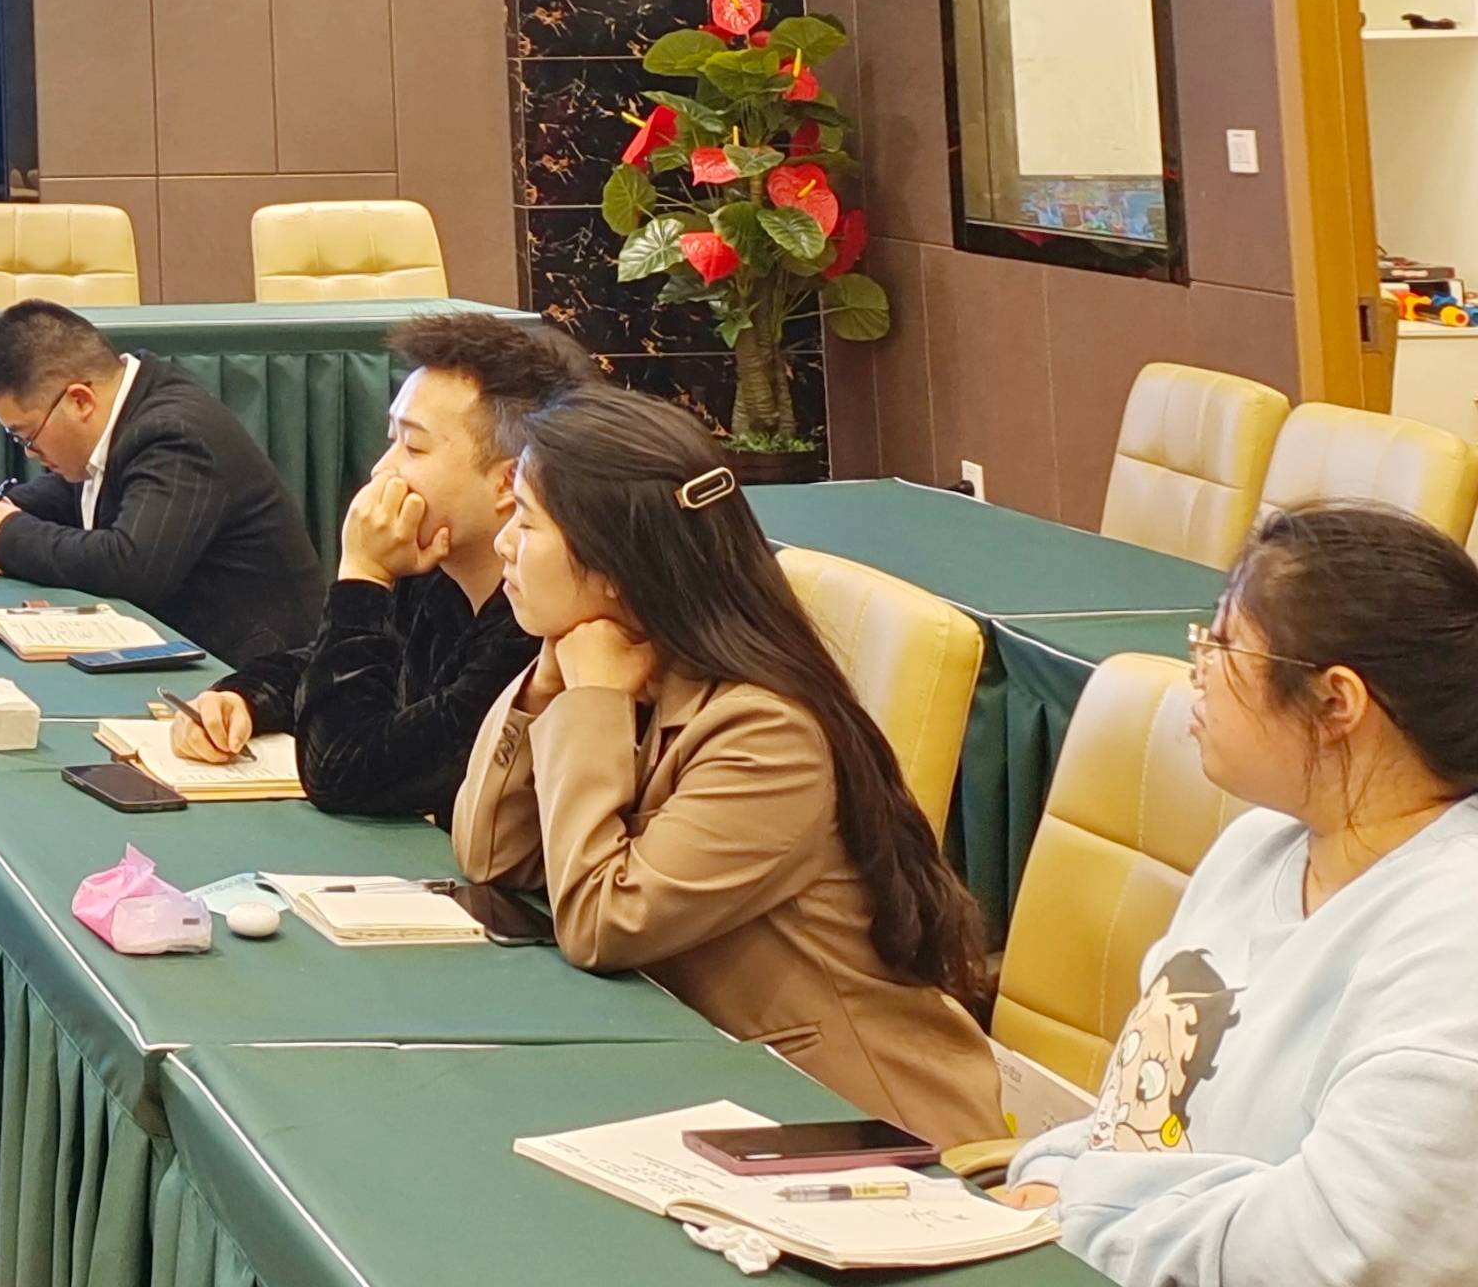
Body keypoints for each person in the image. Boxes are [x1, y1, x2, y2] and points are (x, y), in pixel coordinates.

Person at [451, 386, 1001, 1149]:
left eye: (527, 521)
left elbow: (603, 923)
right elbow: (488, 854)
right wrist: (550, 685)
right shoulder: (625, 669)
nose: (504, 543)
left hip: (863, 1131)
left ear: (613, 569)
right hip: (724, 1094)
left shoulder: (764, 733)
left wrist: (590, 703)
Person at [993, 503, 1478, 1284]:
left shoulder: (1456, 940)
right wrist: (1052, 1173)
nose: (1197, 669)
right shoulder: (1258, 846)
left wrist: (1076, 1213)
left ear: (1336, 702)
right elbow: (1136, 1120)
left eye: (1222, 644)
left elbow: (1333, 1251)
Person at [169, 311, 596, 819]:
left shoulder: (538, 624)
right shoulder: (434, 573)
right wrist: (243, 698)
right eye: (392, 439)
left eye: (413, 446)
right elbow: (343, 666)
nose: (381, 469)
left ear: (509, 482)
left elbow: (342, 773)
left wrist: (363, 575)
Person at [0, 298, 323, 666]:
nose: (30, 453)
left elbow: (132, 567)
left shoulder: (175, 434)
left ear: (80, 401)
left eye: (27, 435)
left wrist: (9, 535)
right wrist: (11, 504)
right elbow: (85, 485)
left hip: (259, 672)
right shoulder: (132, 399)